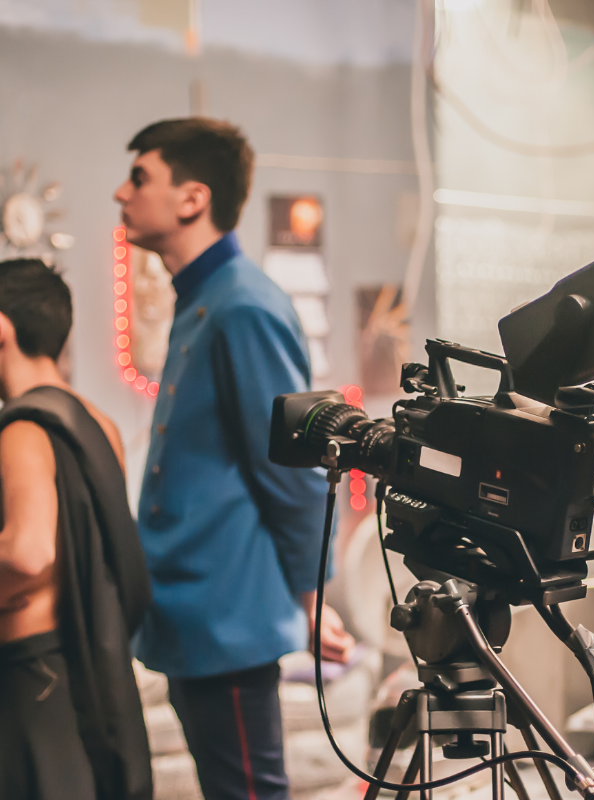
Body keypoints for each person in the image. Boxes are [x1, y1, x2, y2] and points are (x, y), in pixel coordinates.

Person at [113, 117, 356, 800]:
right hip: (191, 613)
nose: (120, 194)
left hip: (229, 619)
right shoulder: (202, 301)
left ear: (192, 198)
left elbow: (292, 466)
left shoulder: (243, 305)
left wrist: (312, 596)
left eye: (139, 178)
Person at [0, 259, 153, 800]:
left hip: (29, 673)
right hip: (89, 661)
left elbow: (28, 553)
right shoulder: (98, 421)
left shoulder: (21, 427)